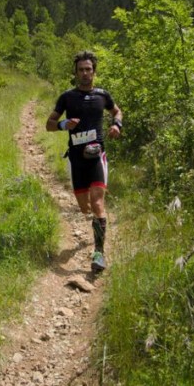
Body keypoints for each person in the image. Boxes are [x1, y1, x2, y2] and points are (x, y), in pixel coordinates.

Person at [46, 50, 122, 272]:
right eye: (81, 70)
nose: (85, 73)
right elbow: (48, 124)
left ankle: (99, 253)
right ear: (76, 72)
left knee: (98, 203)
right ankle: (94, 223)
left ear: (94, 72)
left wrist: (117, 125)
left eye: (89, 69)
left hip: (97, 156)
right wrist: (62, 125)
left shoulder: (103, 95)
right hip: (76, 159)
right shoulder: (67, 97)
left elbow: (118, 112)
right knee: (84, 207)